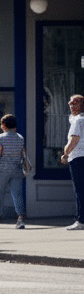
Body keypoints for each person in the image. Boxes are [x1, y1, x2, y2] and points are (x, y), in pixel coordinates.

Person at [0, 114, 30, 228]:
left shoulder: (0, 138)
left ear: (4, 125)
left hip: (2, 170)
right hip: (17, 170)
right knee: (17, 195)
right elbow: (22, 154)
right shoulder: (20, 138)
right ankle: (20, 219)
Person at [61, 94, 84, 231]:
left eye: (74, 103)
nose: (71, 106)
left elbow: (74, 139)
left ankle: (81, 220)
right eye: (70, 103)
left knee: (79, 190)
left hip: (78, 157)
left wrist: (66, 153)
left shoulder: (78, 120)